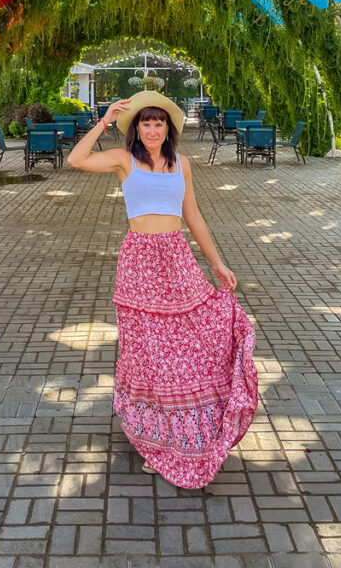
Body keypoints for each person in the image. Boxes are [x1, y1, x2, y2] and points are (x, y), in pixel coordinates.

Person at [68, 90, 259, 489]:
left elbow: (193, 216)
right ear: (136, 128)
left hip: (176, 261)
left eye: (158, 123)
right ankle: (158, 437)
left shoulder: (181, 165)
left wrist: (216, 262)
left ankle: (193, 430)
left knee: (191, 342)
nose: (152, 129)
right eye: (145, 122)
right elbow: (76, 159)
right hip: (139, 264)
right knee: (150, 353)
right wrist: (103, 122)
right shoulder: (125, 161)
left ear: (168, 128)